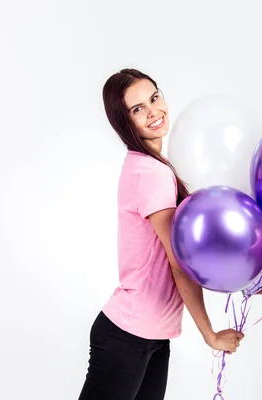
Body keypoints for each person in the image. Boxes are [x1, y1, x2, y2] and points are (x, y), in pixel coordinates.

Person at [78, 68, 251, 400]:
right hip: (126, 336)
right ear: (123, 122)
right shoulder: (151, 173)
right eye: (137, 108)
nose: (153, 111)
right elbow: (179, 262)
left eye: (154, 98)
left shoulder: (154, 166)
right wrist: (209, 334)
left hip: (151, 335)